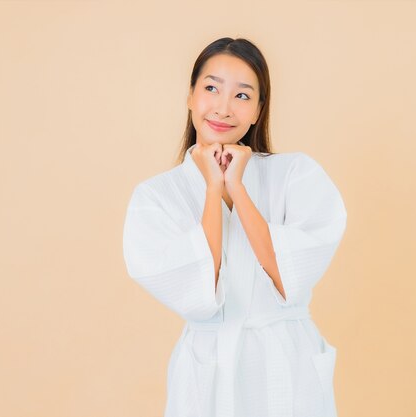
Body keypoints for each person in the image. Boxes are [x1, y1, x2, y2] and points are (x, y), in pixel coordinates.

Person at [122, 37, 347, 417]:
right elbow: (198, 290)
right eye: (211, 88)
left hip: (285, 363)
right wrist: (213, 189)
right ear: (191, 96)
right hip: (207, 368)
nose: (223, 108)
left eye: (242, 96)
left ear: (259, 110)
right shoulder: (156, 196)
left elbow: (287, 275)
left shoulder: (296, 174)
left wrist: (236, 188)